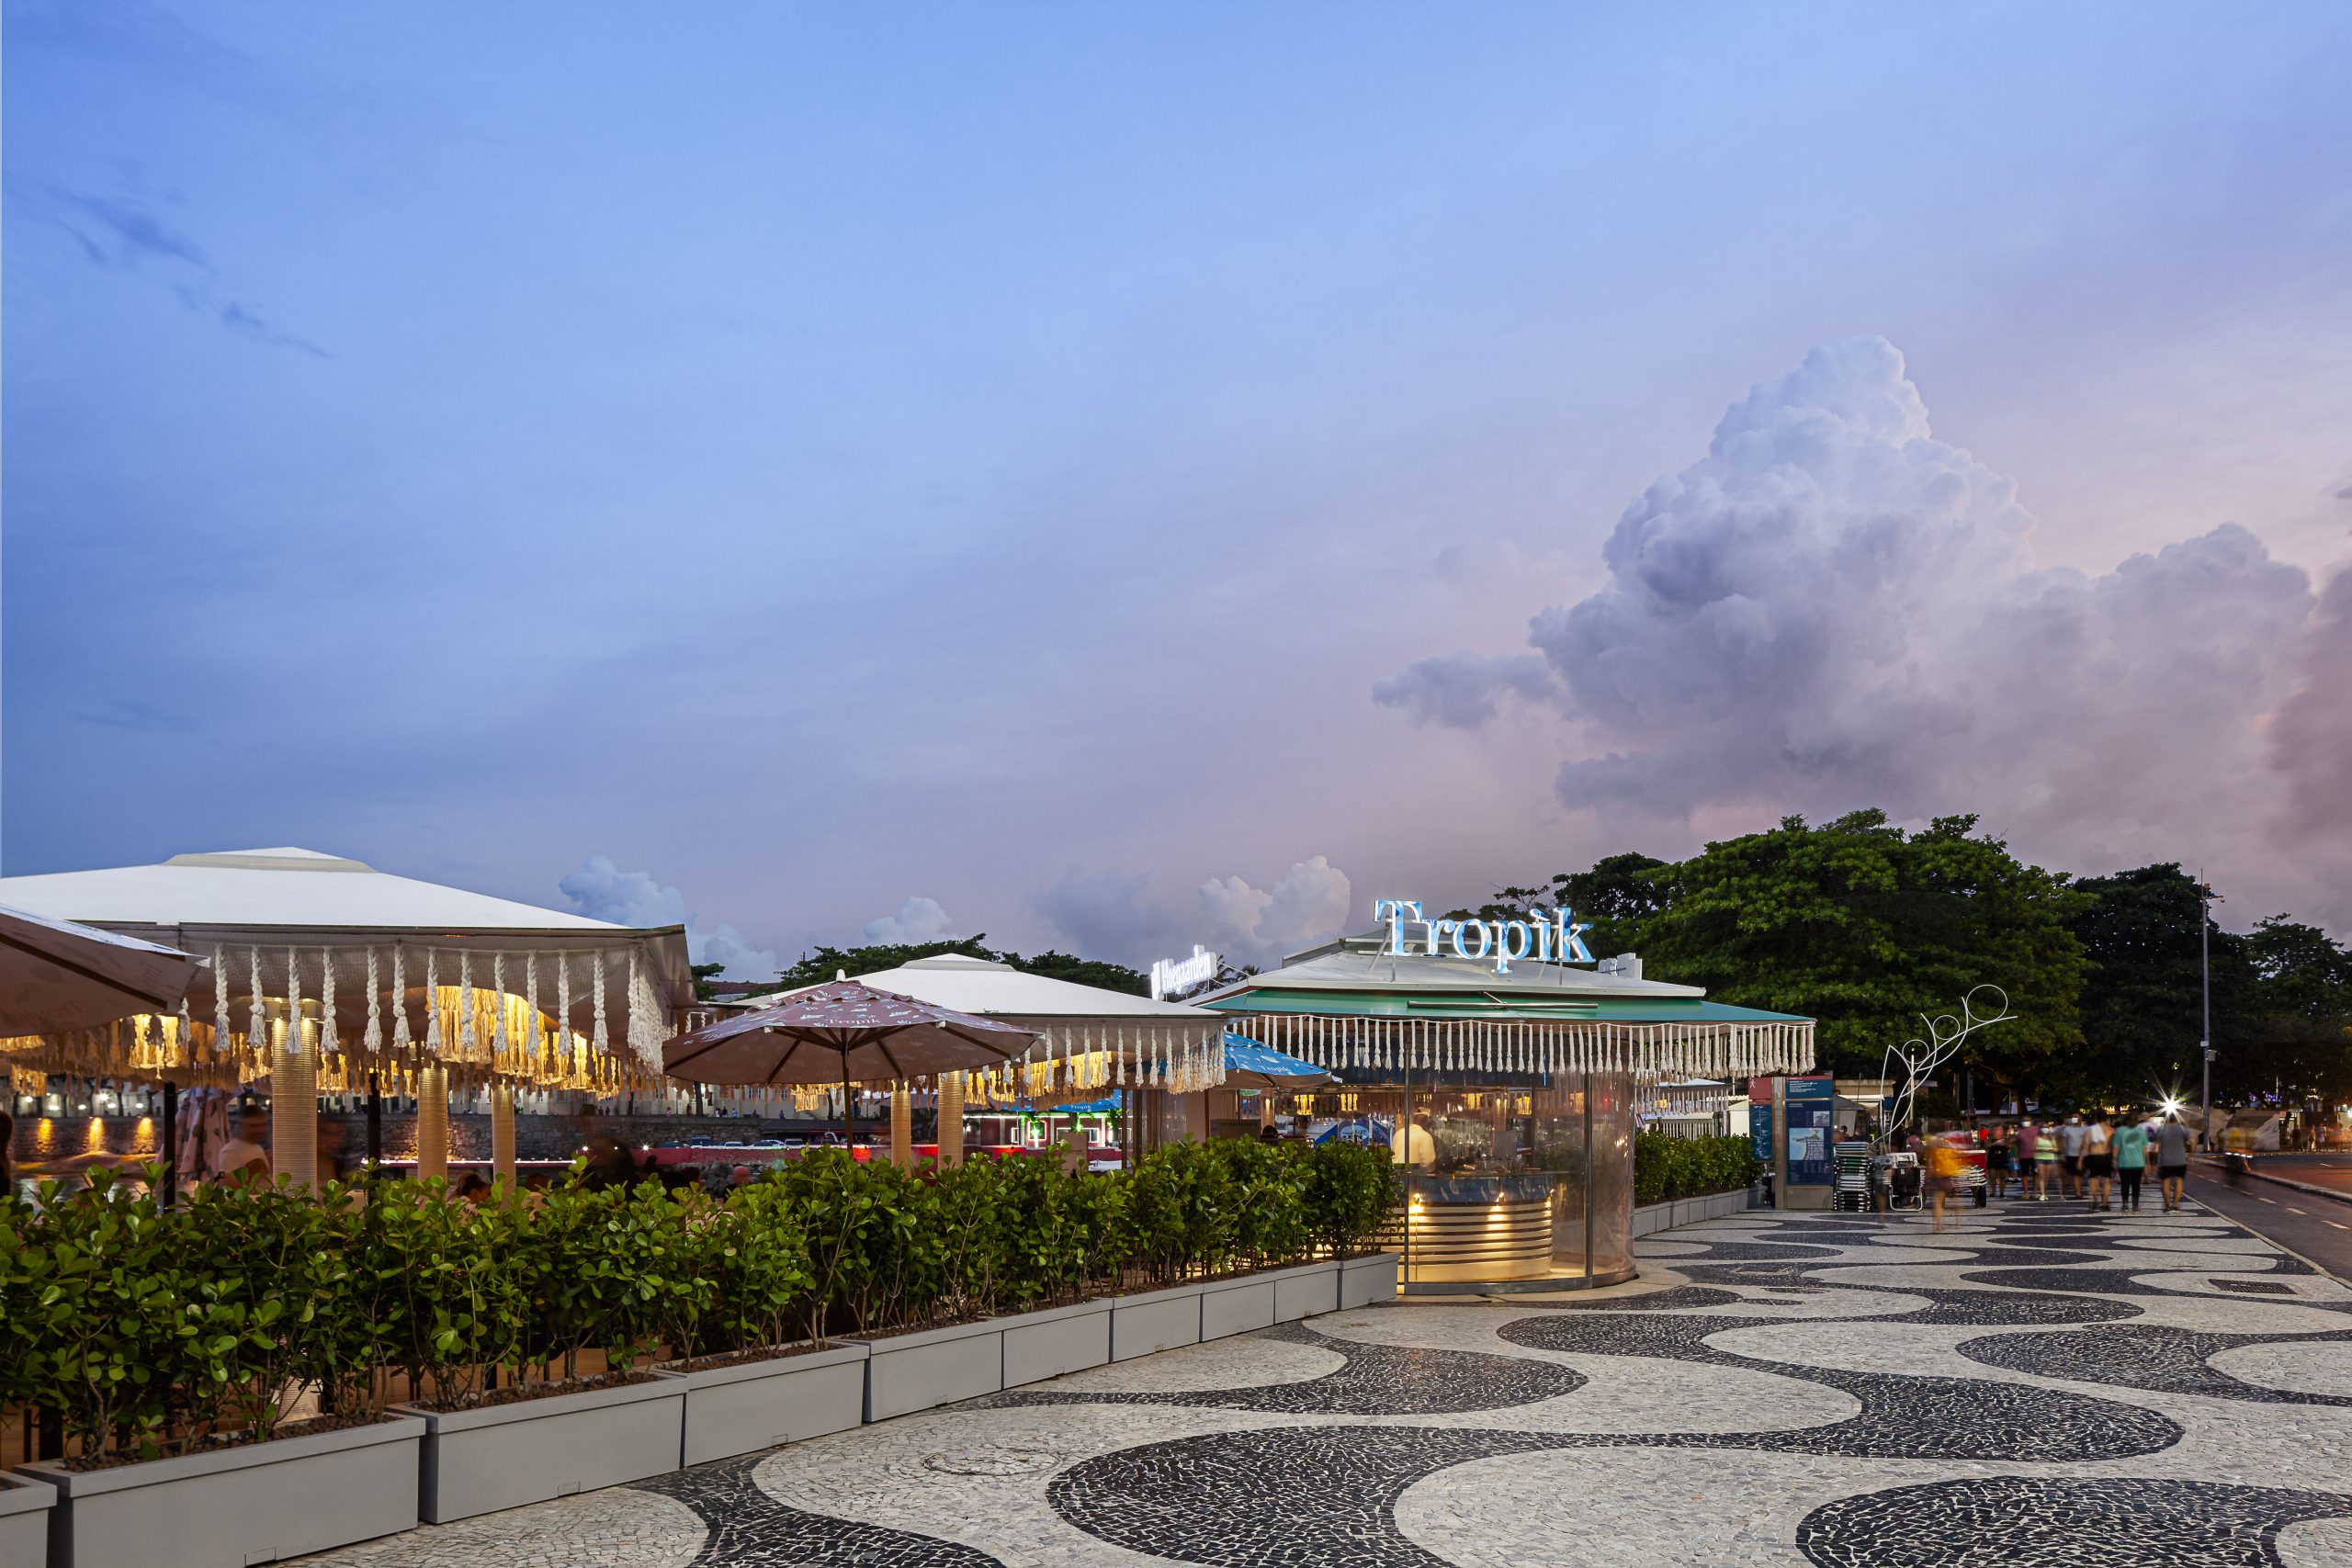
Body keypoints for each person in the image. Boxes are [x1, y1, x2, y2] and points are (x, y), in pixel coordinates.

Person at [217, 1105, 272, 1186]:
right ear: (241, 1125)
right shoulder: (230, 1151)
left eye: (263, 1125)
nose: (260, 1130)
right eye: (254, 1126)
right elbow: (227, 1190)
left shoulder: (257, 1147)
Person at [1924, 1130, 1965, 1233]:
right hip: (1948, 1175)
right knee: (1956, 1199)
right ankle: (1958, 1222)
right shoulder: (1949, 1145)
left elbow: (1929, 1162)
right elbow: (1956, 1158)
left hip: (1937, 1176)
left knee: (1938, 1201)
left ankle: (1937, 1225)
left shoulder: (1932, 1146)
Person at [2154, 1111, 2194, 1212]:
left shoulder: (2161, 1129)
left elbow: (2156, 1146)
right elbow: (2193, 1141)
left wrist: (2155, 1160)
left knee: (2165, 1183)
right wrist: (2191, 1154)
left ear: (2167, 1119)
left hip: (2165, 1161)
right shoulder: (2182, 1129)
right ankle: (2175, 1204)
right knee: (2179, 1181)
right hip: (2180, 1160)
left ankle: (2167, 1205)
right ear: (2177, 1119)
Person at [2113, 1112, 2150, 1212]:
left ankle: (2125, 1204)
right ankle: (2135, 1205)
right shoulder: (2141, 1131)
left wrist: (2114, 1159)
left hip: (2124, 1162)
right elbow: (2145, 1149)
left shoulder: (2120, 1131)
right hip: (2138, 1162)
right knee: (2136, 1184)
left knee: (2125, 1184)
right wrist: (2147, 1162)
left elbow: (2116, 1147)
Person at [2084, 1114, 2115, 1212]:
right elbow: (2115, 1146)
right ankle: (2104, 1204)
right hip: (2107, 1156)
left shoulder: (2090, 1130)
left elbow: (2085, 1145)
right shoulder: (2111, 1130)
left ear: (2096, 1120)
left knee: (2094, 1180)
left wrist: (2081, 1159)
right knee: (2107, 1181)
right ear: (2106, 1120)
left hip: (2093, 1156)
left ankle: (2094, 1201)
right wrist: (2115, 1159)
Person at [2057, 1114, 2089, 1200]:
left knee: (2081, 1174)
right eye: (2073, 1117)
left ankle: (2078, 1190)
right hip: (2071, 1155)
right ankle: (2078, 1192)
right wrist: (2063, 1153)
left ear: (2081, 1118)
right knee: (2075, 1174)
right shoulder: (2067, 1129)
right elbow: (2063, 1142)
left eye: (2077, 1117)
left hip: (2084, 1155)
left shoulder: (2085, 1129)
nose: (2075, 1118)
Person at [2033, 1122, 2060, 1201]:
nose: (2045, 1129)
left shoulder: (2052, 1138)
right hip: (2039, 1158)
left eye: (2046, 1127)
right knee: (2042, 1175)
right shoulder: (2037, 1138)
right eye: (2043, 1127)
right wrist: (2039, 1150)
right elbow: (2033, 1149)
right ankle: (2042, 1194)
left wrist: (2051, 1150)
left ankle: (2044, 1192)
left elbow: (2056, 1149)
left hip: (2049, 1158)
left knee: (2046, 1177)